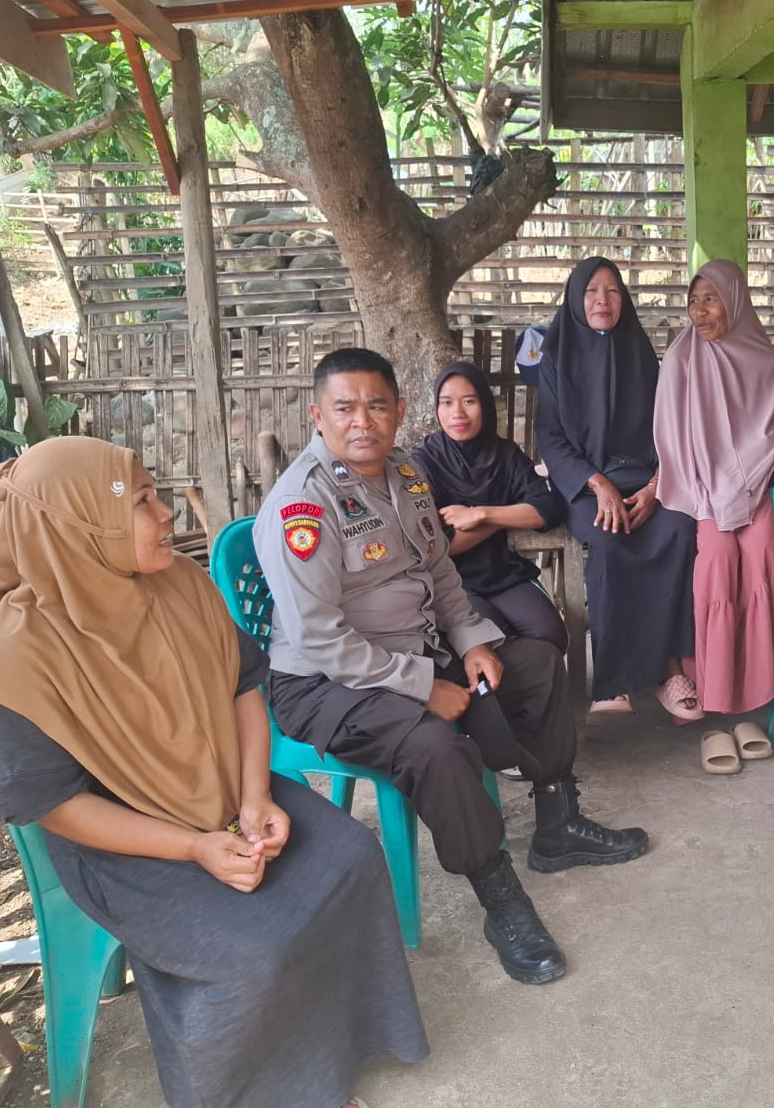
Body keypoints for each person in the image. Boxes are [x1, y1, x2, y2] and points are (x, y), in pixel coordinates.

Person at [0, 437, 426, 1108]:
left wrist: (254, 797)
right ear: (82, 526)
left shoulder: (179, 583)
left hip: (222, 790)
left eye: (156, 493)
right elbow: (55, 806)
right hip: (119, 842)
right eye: (142, 501)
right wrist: (194, 847)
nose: (166, 512)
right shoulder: (15, 661)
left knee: (349, 860)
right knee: (246, 950)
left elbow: (243, 688)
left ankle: (312, 1071)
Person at [256, 348, 649, 986]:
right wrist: (423, 685)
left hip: (419, 648)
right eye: (345, 408)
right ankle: (500, 898)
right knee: (434, 745)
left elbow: (439, 571)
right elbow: (321, 639)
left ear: (398, 411)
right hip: (325, 682)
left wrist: (470, 642)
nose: (362, 421)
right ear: (317, 417)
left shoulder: (407, 474)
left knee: (537, 661)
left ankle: (557, 824)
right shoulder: (301, 503)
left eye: (376, 406)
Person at [535, 256, 699, 718]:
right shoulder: (556, 358)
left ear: (623, 299)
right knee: (609, 541)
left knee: (678, 529)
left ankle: (669, 671)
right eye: (591, 291)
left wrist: (656, 486)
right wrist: (597, 483)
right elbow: (550, 437)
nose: (602, 300)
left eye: (611, 291)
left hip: (645, 481)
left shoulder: (641, 354)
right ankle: (615, 682)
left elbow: (670, 431)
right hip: (586, 486)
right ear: (576, 298)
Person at [653, 259, 774, 730]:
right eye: (693, 301)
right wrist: (705, 494)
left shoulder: (765, 361)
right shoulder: (681, 361)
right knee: (718, 558)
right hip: (702, 487)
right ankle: (712, 685)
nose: (699, 311)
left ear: (735, 303)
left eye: (710, 299)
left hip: (756, 485)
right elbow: (671, 440)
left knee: (764, 551)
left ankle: (762, 683)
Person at [412, 361, 569, 654]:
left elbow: (547, 508)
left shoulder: (505, 455)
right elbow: (444, 543)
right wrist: (509, 513)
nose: (457, 413)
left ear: (485, 403)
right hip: (449, 579)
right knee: (494, 641)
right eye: (446, 403)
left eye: (469, 401)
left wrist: (482, 514)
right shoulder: (423, 462)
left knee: (550, 635)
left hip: (500, 570)